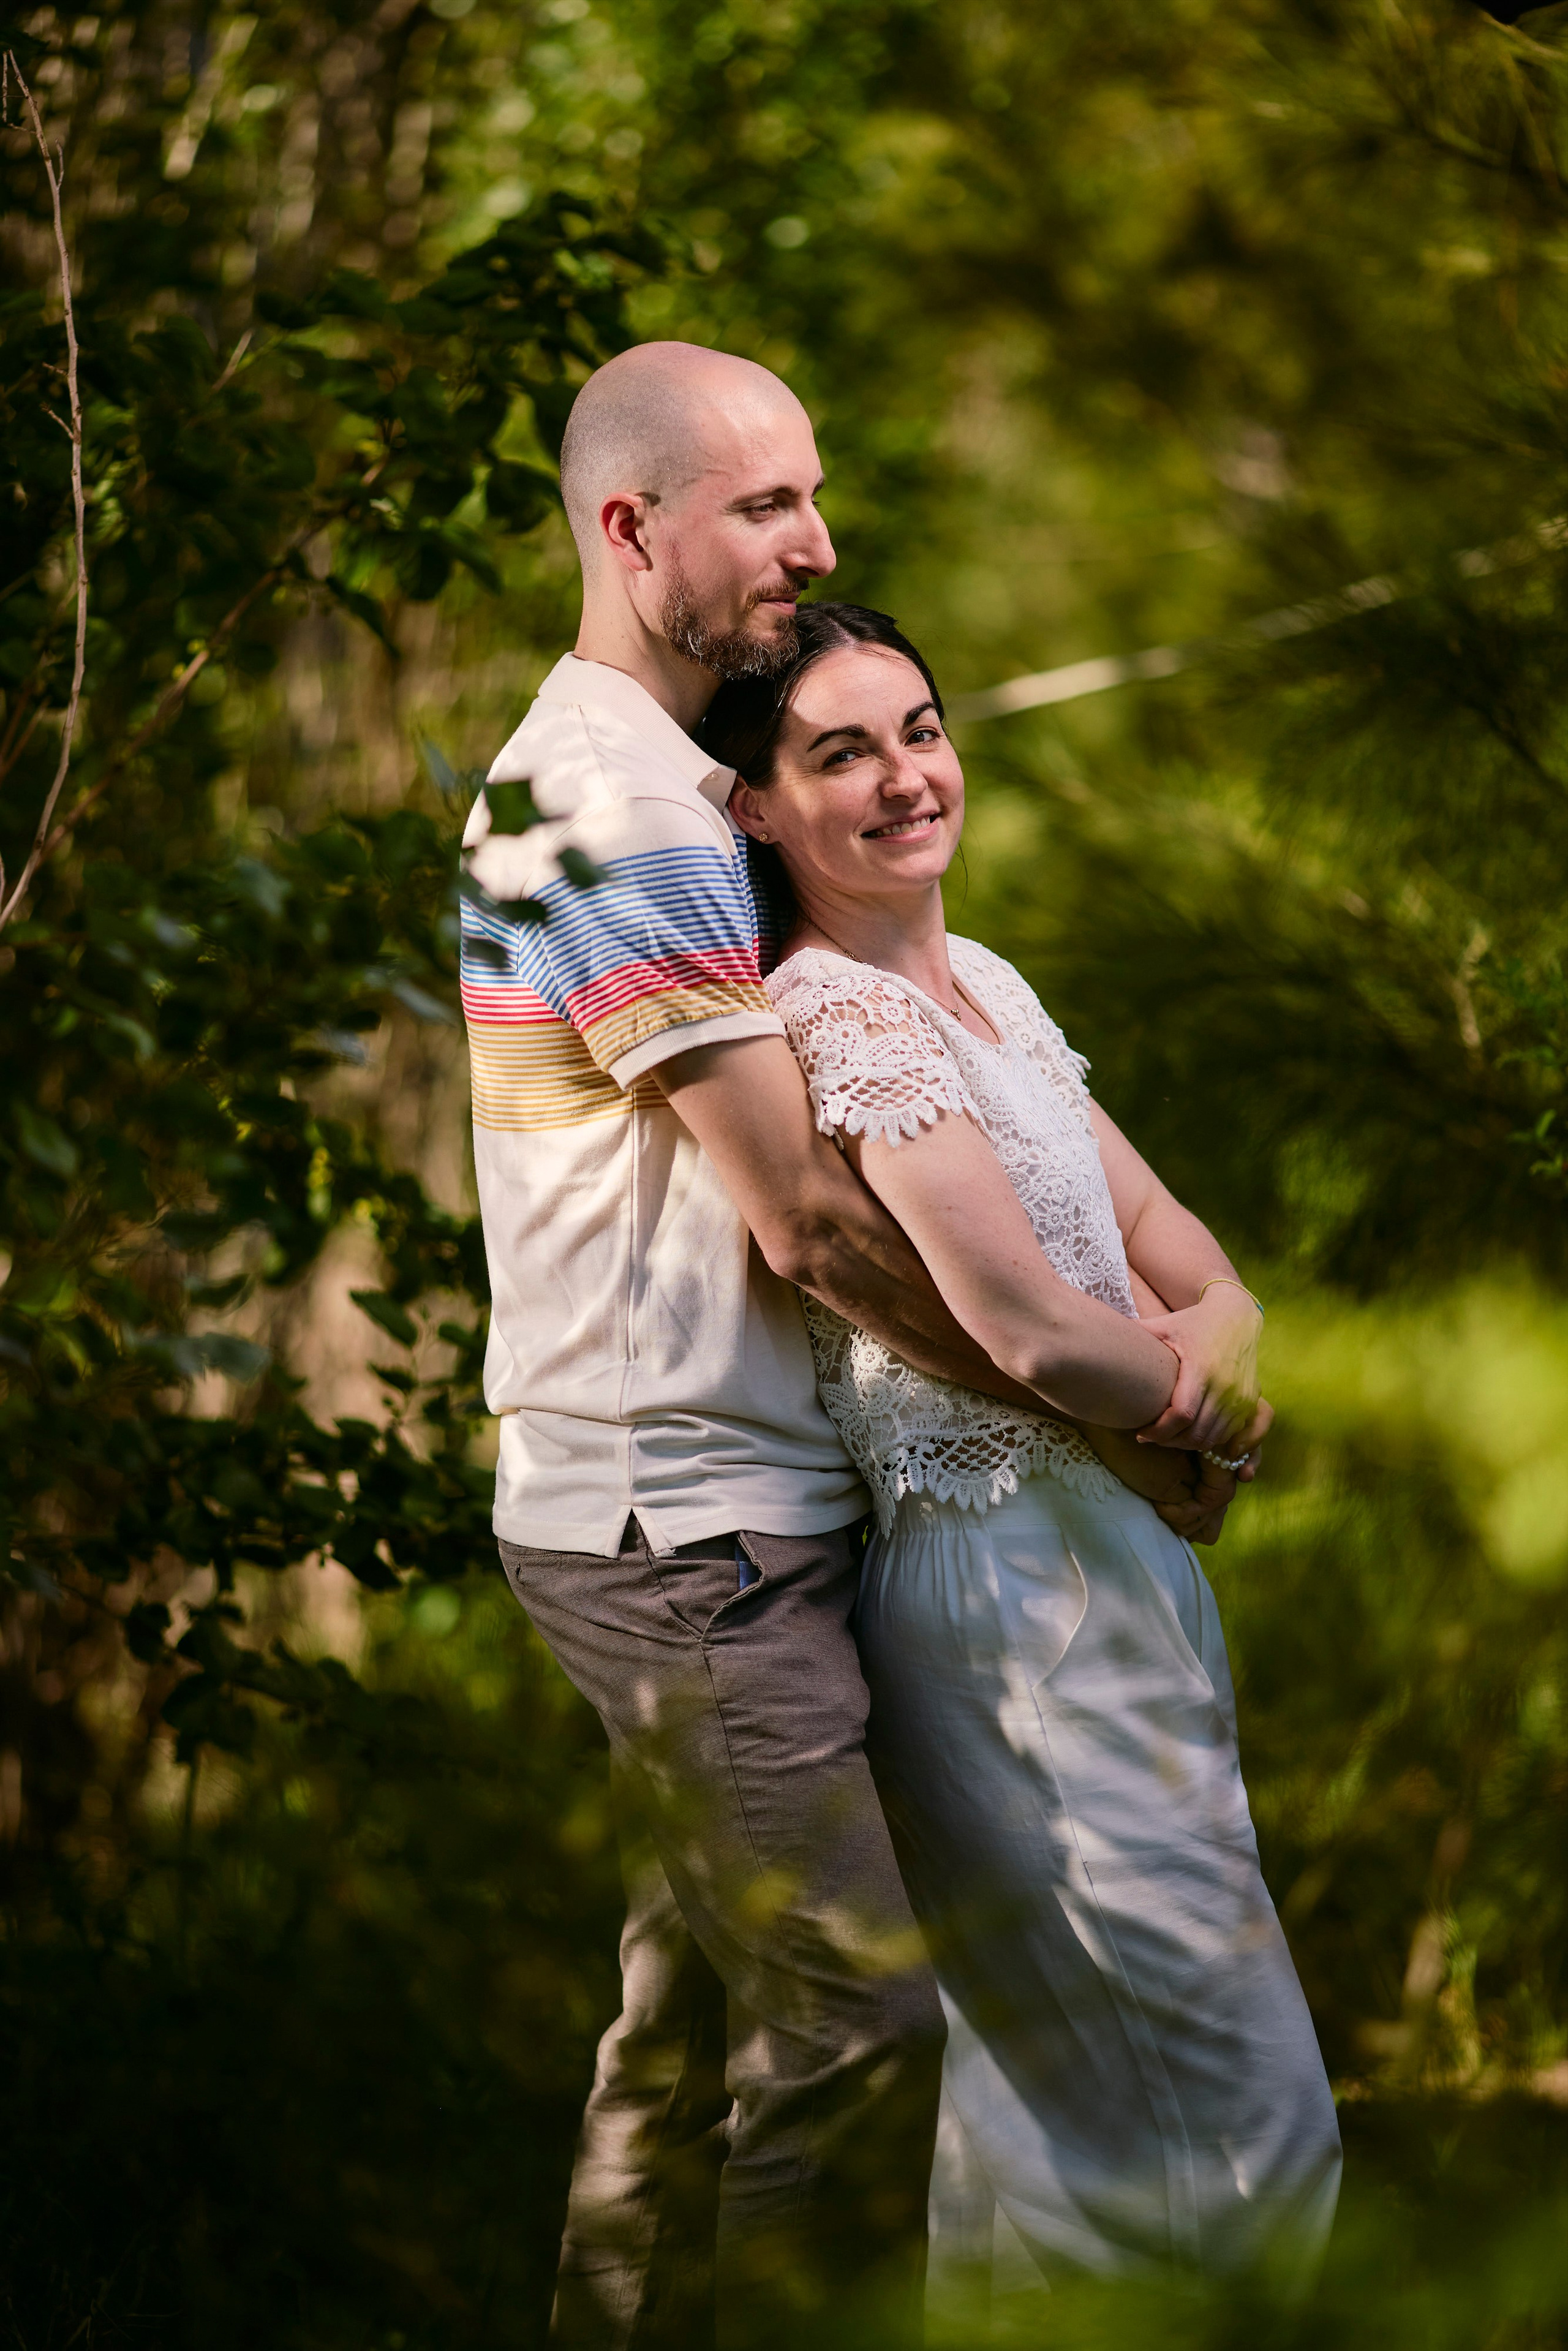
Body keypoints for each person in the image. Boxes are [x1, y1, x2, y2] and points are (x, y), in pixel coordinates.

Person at [459, 344, 1260, 2349]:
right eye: (763, 511)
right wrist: (1130, 1426)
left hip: (730, 1501)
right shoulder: (604, 808)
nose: (817, 548)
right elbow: (812, 1224)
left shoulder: (643, 783)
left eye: (814, 496)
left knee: (685, 2033)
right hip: (678, 1522)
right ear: (631, 531)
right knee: (853, 2017)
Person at [706, 600, 1343, 2306]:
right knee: (1237, 2110)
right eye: (842, 752)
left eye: (919, 728)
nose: (906, 776)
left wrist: (1204, 1356)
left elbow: (1200, 1261)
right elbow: (1019, 1322)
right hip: (1006, 1590)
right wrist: (1180, 1407)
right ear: (759, 807)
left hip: (1116, 1569)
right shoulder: (838, 1019)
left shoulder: (981, 984)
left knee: (1060, 2120)